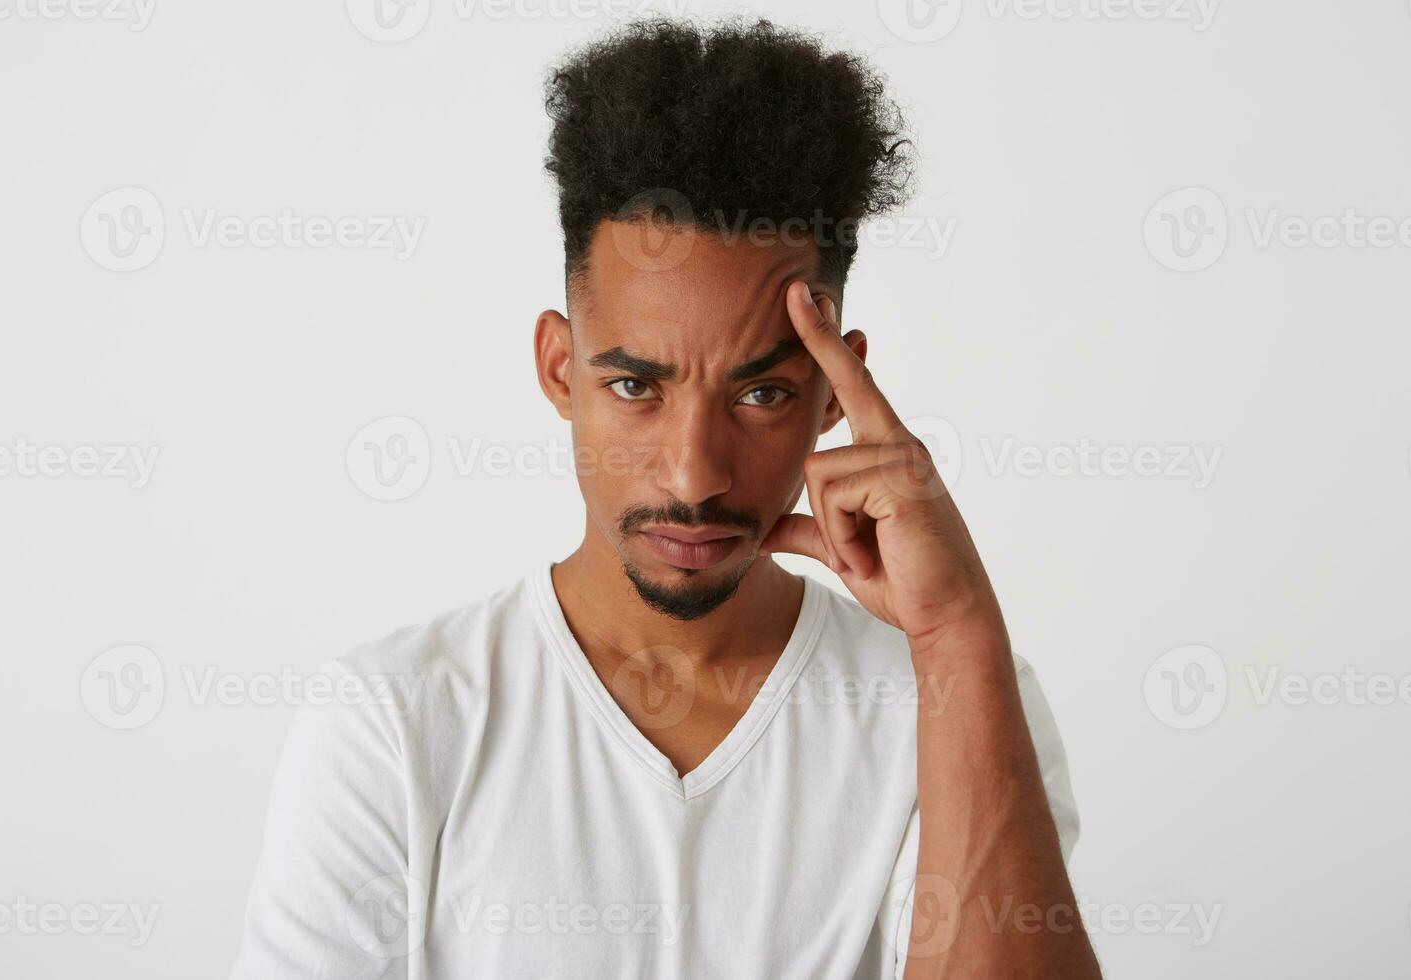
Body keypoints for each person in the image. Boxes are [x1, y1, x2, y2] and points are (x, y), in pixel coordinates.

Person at [230, 16, 1099, 978]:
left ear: (833, 393)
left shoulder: (955, 700)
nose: (694, 476)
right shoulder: (392, 720)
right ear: (560, 370)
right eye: (637, 386)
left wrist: (954, 638)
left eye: (761, 393)